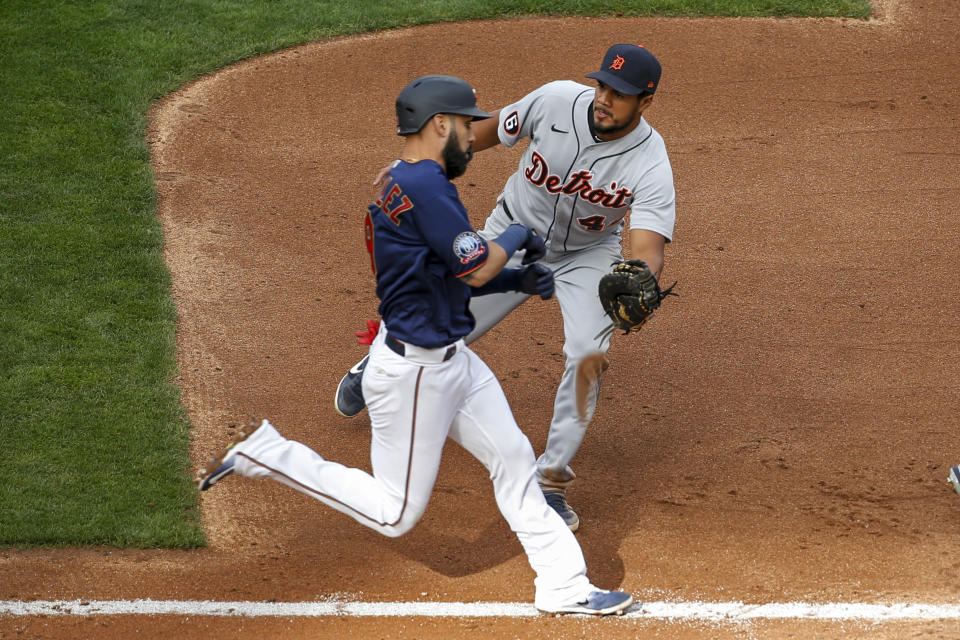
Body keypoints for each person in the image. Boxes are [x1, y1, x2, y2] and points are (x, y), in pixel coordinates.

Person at [197, 74, 633, 616]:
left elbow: (441, 272)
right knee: (394, 512)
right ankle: (267, 454)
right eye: (468, 123)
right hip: (414, 375)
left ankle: (564, 585)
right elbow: (473, 265)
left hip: (453, 360)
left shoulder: (406, 181)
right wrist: (518, 237)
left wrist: (513, 281)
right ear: (439, 124)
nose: (476, 135)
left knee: (515, 461)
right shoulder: (427, 188)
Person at [335, 45, 677, 533]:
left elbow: (646, 244)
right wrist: (415, 163)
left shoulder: (651, 160)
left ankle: (552, 482)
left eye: (620, 95)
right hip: (512, 231)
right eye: (602, 85)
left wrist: (641, 271)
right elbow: (486, 129)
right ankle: (376, 364)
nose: (604, 99)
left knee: (587, 355)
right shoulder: (556, 101)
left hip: (589, 254)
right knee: (449, 316)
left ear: (645, 102)